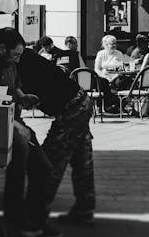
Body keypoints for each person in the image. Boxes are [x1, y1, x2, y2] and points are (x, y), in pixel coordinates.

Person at [0, 27, 62, 237]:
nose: (17, 61)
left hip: (13, 121)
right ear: (2, 48)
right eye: (15, 55)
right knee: (20, 152)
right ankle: (15, 216)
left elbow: (14, 87)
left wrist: (22, 97)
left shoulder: (8, 64)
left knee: (43, 168)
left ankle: (36, 217)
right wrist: (17, 127)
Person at [17, 47, 96, 225]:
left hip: (71, 108)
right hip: (81, 101)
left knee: (51, 159)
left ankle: (36, 211)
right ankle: (85, 208)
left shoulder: (21, 63)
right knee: (81, 158)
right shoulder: (28, 57)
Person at [94, 34, 126, 112]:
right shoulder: (101, 54)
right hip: (104, 76)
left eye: (115, 43)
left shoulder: (119, 53)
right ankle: (105, 106)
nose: (114, 45)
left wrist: (114, 77)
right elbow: (97, 69)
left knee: (122, 81)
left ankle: (119, 105)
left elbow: (122, 68)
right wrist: (106, 77)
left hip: (116, 76)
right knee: (102, 82)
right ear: (106, 45)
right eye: (111, 43)